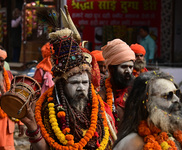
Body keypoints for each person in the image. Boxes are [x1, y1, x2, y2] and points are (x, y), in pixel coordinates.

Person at [19, 8, 116, 149]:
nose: (81, 87)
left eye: (85, 82)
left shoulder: (99, 106)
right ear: (62, 84)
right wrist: (32, 126)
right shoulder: (46, 108)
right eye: (75, 82)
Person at [113, 71, 182, 150]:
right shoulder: (133, 143)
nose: (177, 99)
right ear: (147, 102)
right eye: (168, 95)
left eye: (176, 93)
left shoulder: (178, 133)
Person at [99, 39, 135, 128]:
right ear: (111, 68)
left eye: (130, 67)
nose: (128, 71)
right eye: (124, 67)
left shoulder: (136, 90)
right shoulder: (101, 93)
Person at [0, 49, 24, 150]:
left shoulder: (9, 76)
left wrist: (21, 122)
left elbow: (15, 99)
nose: (0, 63)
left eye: (2, 61)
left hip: (7, 122)